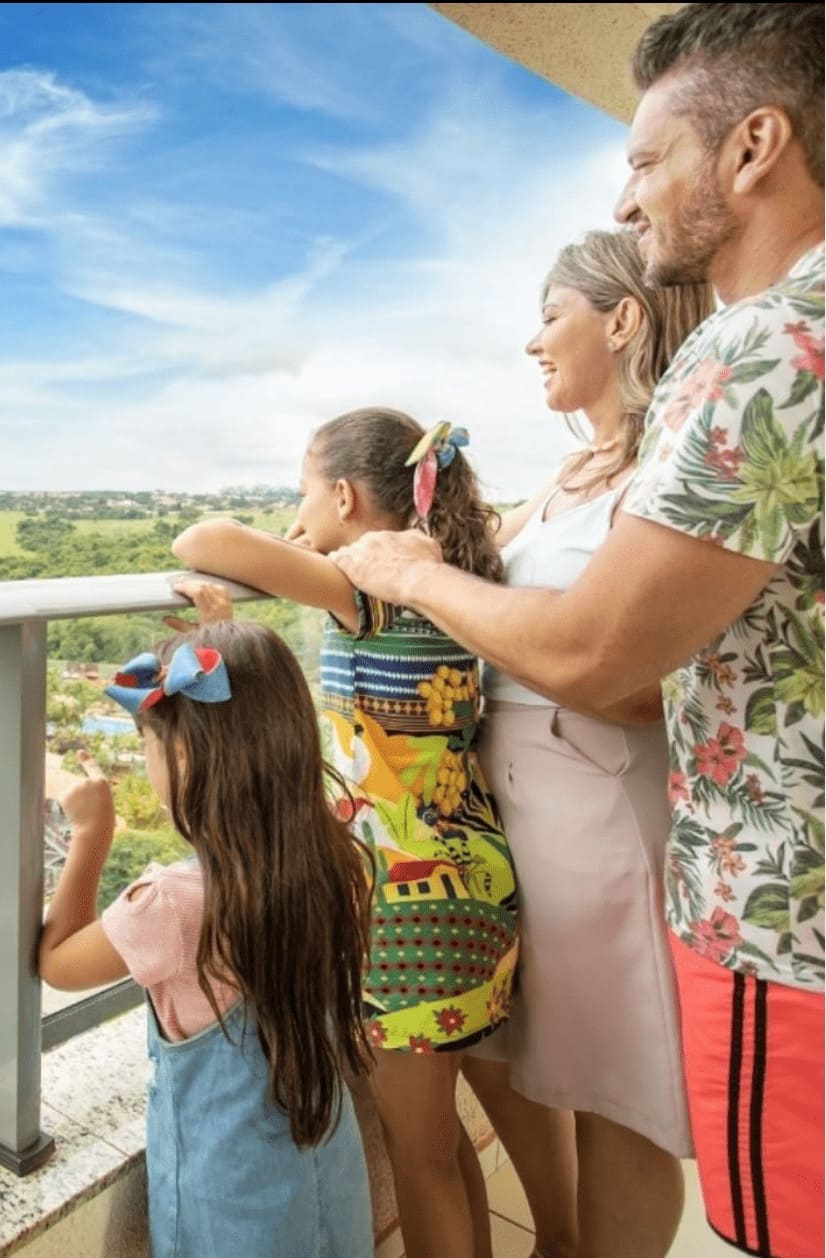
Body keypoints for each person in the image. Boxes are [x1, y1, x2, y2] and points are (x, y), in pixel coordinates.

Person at [330, 6, 823, 1256]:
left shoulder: (766, 347)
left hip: (764, 896)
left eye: (647, 159)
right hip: (605, 852)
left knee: (685, 1152)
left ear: (753, 146)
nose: (625, 193)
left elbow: (605, 659)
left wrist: (409, 573)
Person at [172, 407, 518, 1258]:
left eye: (304, 492)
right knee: (446, 1144)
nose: (298, 512)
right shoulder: (448, 578)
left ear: (344, 497)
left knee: (421, 1160)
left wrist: (293, 545)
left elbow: (200, 540)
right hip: (477, 876)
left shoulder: (369, 587)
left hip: (410, 908)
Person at [457, 226, 712, 1258]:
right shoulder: (572, 473)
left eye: (550, 314)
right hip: (512, 810)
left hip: (594, 811)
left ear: (622, 321)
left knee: (615, 1094)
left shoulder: (660, 477)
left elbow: (641, 685)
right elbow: (466, 577)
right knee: (501, 1047)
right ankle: (557, 1239)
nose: (533, 341)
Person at [37, 621, 375, 1258]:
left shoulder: (170, 905)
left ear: (185, 757)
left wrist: (92, 834)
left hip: (232, 1207)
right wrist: (230, 636)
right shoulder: (334, 857)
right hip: (326, 1174)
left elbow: (56, 963)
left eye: (147, 744)